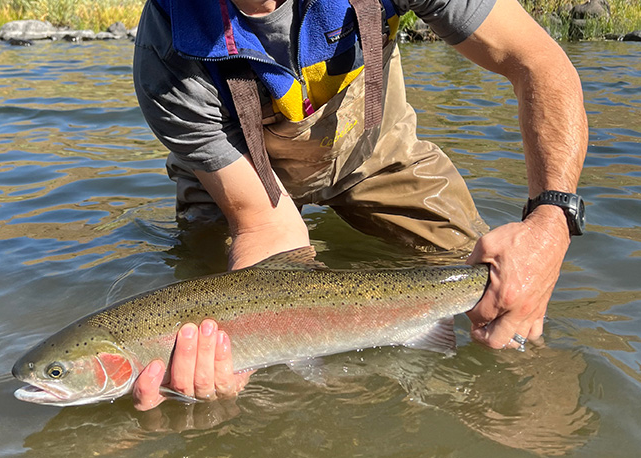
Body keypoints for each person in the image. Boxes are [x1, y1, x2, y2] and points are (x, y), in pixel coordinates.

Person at [129, 0, 587, 410]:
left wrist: (551, 221)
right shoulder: (166, 51)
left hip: (374, 154)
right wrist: (253, 342)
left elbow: (538, 62)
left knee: (499, 292)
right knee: (203, 314)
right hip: (237, 184)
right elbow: (266, 227)